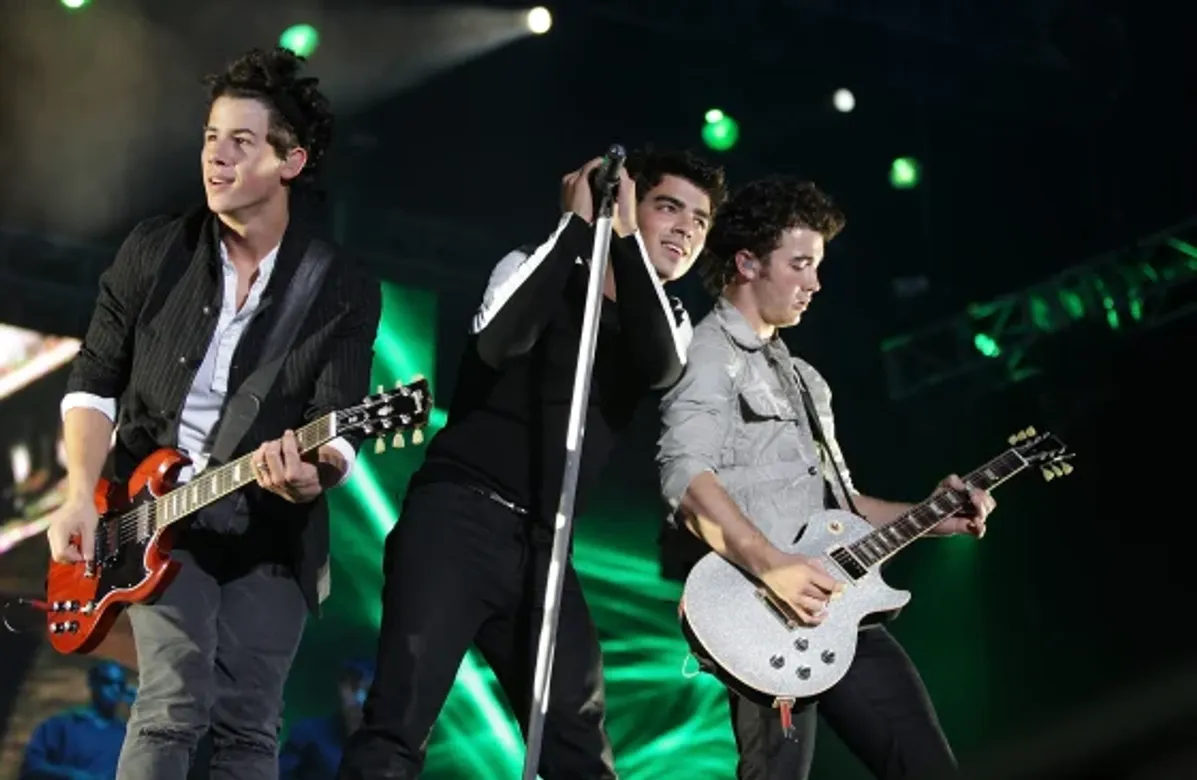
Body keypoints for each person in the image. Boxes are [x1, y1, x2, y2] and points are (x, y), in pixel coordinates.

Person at [44, 47, 382, 780]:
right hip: (152, 517)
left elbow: (340, 418)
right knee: (172, 703)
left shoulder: (340, 283)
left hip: (271, 531)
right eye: (210, 137)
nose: (216, 157)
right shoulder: (155, 250)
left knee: (250, 727)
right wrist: (76, 495)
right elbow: (94, 382)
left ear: (290, 162)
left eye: (242, 142)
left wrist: (314, 474)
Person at [336, 149, 727, 779]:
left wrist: (625, 240)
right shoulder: (529, 264)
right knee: (399, 720)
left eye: (700, 220)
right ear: (628, 205)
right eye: (668, 208)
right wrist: (579, 228)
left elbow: (659, 367)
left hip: (546, 546)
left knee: (578, 741)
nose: (686, 228)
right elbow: (499, 342)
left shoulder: (671, 320)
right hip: (457, 518)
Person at [656, 175, 997, 780]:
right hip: (761, 620)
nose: (814, 283)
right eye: (800, 265)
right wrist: (773, 567)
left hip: (840, 609)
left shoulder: (804, 379)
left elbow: (843, 509)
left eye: (817, 265)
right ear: (747, 264)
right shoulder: (709, 354)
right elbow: (684, 476)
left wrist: (932, 515)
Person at [19, 660, 131, 780]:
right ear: (93, 683)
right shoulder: (62, 725)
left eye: (120, 685)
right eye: (107, 682)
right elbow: (32, 765)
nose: (115, 689)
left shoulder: (126, 735)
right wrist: (70, 775)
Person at [280, 660, 375, 780]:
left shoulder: (386, 748)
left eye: (368, 691)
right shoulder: (307, 733)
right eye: (352, 687)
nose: (358, 699)